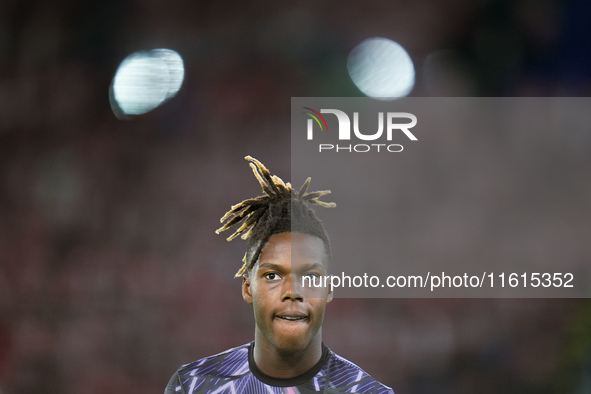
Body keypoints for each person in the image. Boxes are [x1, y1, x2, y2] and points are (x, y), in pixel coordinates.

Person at [164, 156, 394, 393]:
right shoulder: (193, 385)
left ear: (329, 289)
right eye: (273, 275)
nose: (293, 292)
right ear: (247, 288)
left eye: (311, 277)